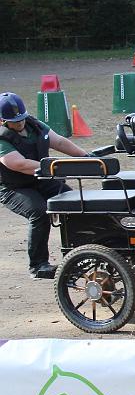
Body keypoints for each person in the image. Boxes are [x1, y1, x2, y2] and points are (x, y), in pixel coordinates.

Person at [0, 92, 89, 279]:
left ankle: (77, 255)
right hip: (13, 187)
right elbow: (19, 165)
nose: (19, 123)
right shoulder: (2, 138)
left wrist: (85, 157)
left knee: (72, 203)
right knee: (39, 212)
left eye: (21, 118)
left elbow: (59, 141)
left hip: (41, 178)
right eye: (14, 121)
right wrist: (57, 167)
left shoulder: (35, 125)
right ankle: (38, 265)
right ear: (3, 120)